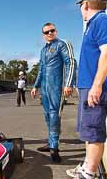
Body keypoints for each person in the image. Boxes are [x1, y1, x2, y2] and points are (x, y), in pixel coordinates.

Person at [63, 0, 107, 179]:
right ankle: (86, 167)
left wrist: (97, 85)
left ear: (85, 5)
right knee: (87, 130)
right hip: (88, 86)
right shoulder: (94, 24)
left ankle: (89, 178)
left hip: (96, 87)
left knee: (93, 132)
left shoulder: (103, 21)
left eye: (81, 7)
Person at [31, 23, 75, 162]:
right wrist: (35, 86)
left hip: (57, 86)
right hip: (45, 87)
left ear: (56, 31)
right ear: (43, 35)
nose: (49, 33)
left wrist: (68, 83)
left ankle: (54, 147)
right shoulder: (43, 50)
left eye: (52, 30)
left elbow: (70, 63)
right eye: (46, 32)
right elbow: (41, 69)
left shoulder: (62, 44)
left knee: (55, 115)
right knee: (47, 116)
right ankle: (50, 142)